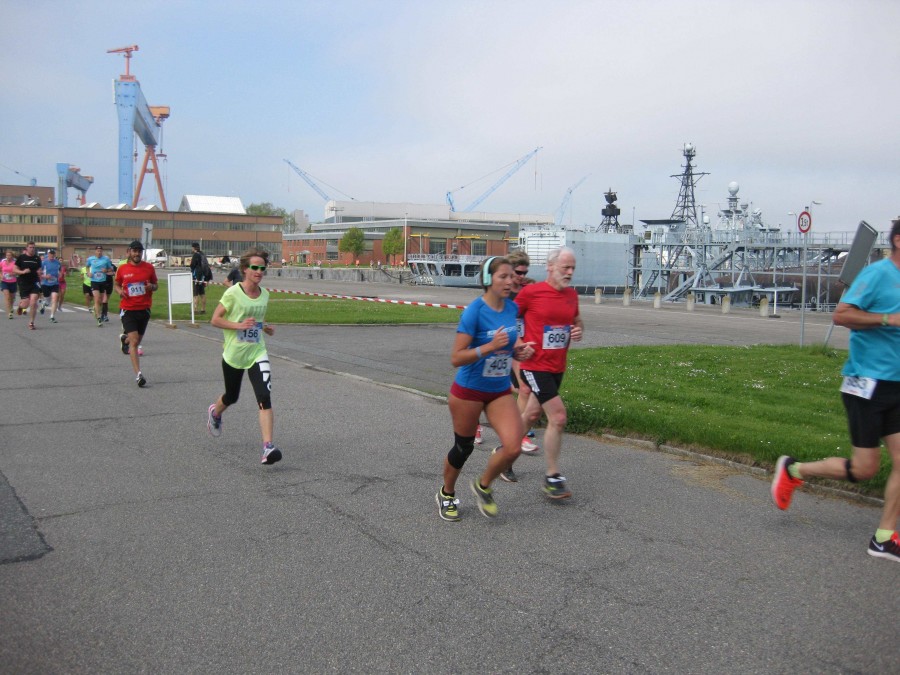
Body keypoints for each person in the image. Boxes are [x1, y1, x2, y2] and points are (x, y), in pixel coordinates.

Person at [771, 218, 900, 563]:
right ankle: (794, 471)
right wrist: (888, 319)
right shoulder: (877, 274)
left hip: (897, 385)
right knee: (864, 469)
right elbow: (841, 315)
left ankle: (884, 538)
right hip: (866, 384)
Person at [436, 256, 535, 521]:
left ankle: (483, 486)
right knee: (463, 448)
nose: (510, 281)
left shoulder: (512, 308)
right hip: (468, 390)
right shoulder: (475, 311)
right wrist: (489, 347)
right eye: (503, 276)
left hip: (498, 390)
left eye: (512, 276)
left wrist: (519, 351)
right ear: (489, 279)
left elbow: (510, 342)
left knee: (513, 447)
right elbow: (456, 357)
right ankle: (447, 493)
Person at [512, 246, 583, 500]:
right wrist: (519, 344)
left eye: (573, 268)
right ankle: (552, 477)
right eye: (566, 267)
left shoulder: (571, 295)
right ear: (550, 267)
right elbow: (507, 320)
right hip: (534, 365)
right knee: (558, 417)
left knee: (531, 414)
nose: (570, 272)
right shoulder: (531, 292)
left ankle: (504, 454)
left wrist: (578, 330)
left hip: (557, 366)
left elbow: (576, 321)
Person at [206, 248, 282, 465]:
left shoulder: (264, 294)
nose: (259, 271)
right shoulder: (233, 293)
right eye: (255, 267)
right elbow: (215, 319)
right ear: (245, 269)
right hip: (234, 354)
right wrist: (238, 325)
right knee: (232, 396)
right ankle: (215, 413)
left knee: (264, 396)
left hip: (257, 351)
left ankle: (268, 447)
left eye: (262, 268)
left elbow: (255, 320)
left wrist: (265, 327)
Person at [114, 240, 158, 387]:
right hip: (128, 309)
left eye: (139, 251)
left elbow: (156, 285)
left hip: (144, 309)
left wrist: (151, 286)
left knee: (136, 341)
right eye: (134, 251)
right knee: (134, 342)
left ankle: (124, 339)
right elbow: (116, 284)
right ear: (129, 252)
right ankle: (138, 375)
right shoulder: (122, 269)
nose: (137, 253)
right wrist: (120, 291)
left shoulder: (149, 268)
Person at [13, 242, 42, 330]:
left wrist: (39, 272)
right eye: (30, 247)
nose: (32, 249)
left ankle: (31, 322)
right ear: (27, 248)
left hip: (34, 282)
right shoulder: (21, 258)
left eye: (33, 247)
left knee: (33, 302)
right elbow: (14, 269)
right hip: (24, 283)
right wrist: (22, 272)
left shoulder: (37, 258)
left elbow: (39, 269)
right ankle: (21, 307)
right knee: (25, 304)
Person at [85, 245, 114, 326]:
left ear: (102, 251)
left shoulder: (106, 259)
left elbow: (111, 268)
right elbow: (87, 266)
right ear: (95, 251)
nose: (99, 252)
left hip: (102, 281)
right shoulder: (91, 259)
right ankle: (98, 319)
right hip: (94, 281)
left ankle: (95, 308)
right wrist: (88, 273)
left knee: (100, 300)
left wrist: (106, 270)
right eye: (98, 251)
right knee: (97, 299)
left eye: (100, 251)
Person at [39, 249, 62, 323]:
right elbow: (39, 273)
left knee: (55, 299)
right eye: (50, 254)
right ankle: (43, 304)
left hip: (55, 283)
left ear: (55, 255)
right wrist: (45, 276)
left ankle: (52, 316)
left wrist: (60, 274)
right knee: (47, 300)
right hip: (45, 284)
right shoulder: (43, 262)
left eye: (53, 254)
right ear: (48, 254)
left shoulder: (58, 263)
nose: (52, 255)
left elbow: (60, 271)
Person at [190, 242, 209, 314]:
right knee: (202, 293)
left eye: (192, 247)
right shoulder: (202, 254)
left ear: (194, 248)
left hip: (196, 276)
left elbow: (192, 265)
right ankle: (203, 309)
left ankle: (195, 310)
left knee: (195, 294)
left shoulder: (195, 255)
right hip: (202, 277)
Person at [1, 250, 17, 319]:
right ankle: (9, 313)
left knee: (12, 298)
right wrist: (1, 276)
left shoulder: (15, 263)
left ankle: (11, 306)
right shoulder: (2, 262)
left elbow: (18, 272)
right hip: (4, 282)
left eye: (10, 255)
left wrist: (13, 274)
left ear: (12, 256)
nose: (8, 257)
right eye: (7, 255)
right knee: (7, 297)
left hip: (13, 282)